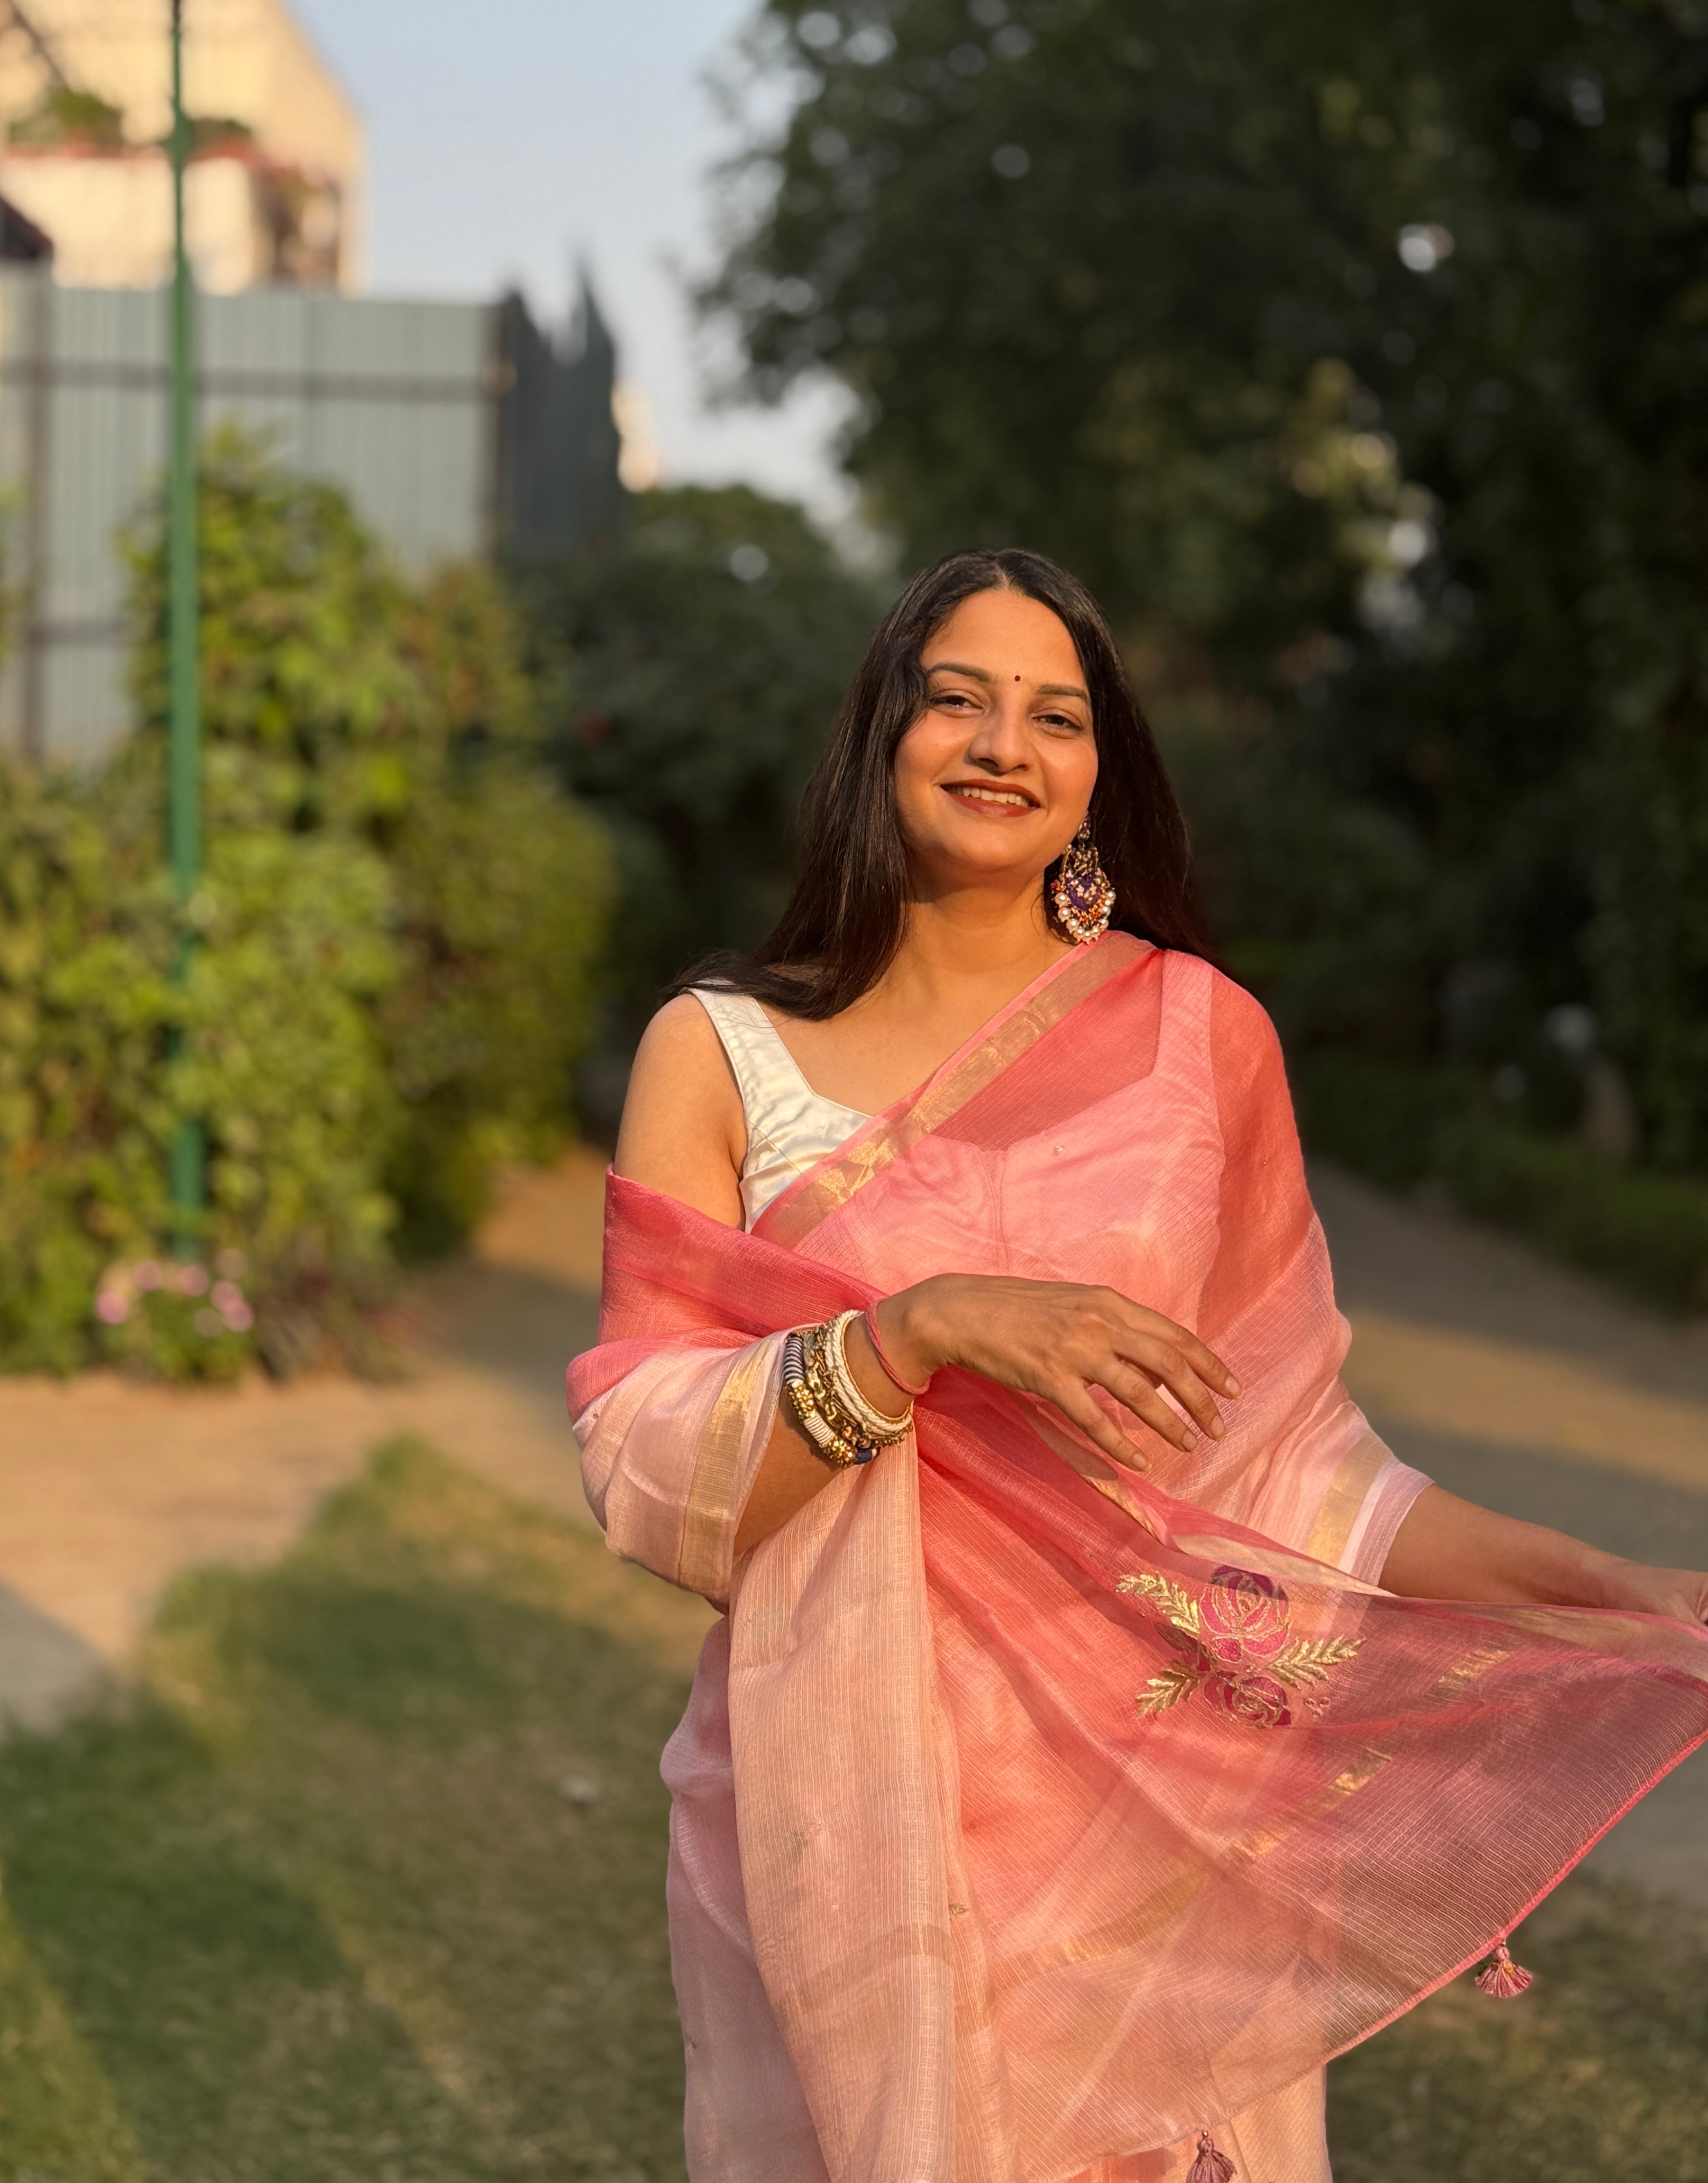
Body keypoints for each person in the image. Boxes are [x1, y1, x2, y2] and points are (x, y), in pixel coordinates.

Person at [569, 549, 1708, 2183]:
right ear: (880, 734)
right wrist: (917, 1328)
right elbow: (647, 1462)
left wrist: (1600, 1582)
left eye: (1058, 715)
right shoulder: (725, 1052)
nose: (1001, 746)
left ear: (1101, 775)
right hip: (849, 1815)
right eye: (955, 698)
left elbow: (1300, 1476)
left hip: (1163, 1821)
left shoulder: (1202, 1039)